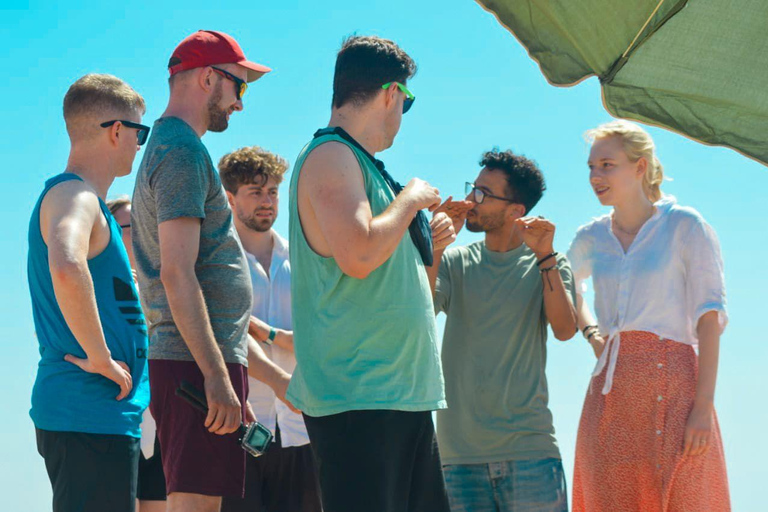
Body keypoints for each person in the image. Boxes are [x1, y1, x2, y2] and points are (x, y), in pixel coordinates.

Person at [287, 35, 457, 512]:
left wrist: (434, 245)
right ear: (391, 94)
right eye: (406, 100)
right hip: (358, 399)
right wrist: (412, 198)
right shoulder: (330, 155)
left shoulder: (364, 167)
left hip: (399, 398)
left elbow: (413, 290)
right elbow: (359, 256)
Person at [131, 30, 289, 512]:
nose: (240, 103)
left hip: (196, 365)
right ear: (206, 77)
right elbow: (177, 274)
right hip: (193, 366)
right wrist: (217, 377)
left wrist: (223, 375)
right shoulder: (181, 152)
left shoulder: (174, 147)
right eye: (239, 86)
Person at [568, 120, 731, 511]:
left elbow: (710, 319)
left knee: (685, 496)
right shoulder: (590, 237)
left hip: (677, 389)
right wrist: (592, 333)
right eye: (591, 167)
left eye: (607, 165)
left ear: (640, 167)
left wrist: (703, 407)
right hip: (611, 394)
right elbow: (565, 283)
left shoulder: (685, 225)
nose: (595, 175)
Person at [428, 149, 578, 512]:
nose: (469, 201)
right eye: (472, 189)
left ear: (516, 210)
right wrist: (435, 244)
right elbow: (420, 311)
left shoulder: (550, 262)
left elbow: (564, 330)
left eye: (482, 194)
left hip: (531, 454)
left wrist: (545, 257)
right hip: (457, 459)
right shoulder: (455, 261)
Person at [28, 73, 150, 512]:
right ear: (118, 131)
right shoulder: (74, 194)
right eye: (140, 132)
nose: (140, 144)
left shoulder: (85, 199)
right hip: (87, 412)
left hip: (100, 418)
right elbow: (65, 263)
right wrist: (99, 356)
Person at [218, 146, 322, 512]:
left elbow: (325, 330)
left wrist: (276, 336)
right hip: (238, 427)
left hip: (302, 427)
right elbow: (225, 334)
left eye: (273, 192)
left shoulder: (304, 259)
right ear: (230, 198)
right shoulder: (215, 263)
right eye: (255, 192)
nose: (267, 201)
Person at [108, 197, 166, 512]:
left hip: (161, 422)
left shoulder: (167, 283)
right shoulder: (95, 287)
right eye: (133, 226)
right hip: (115, 420)